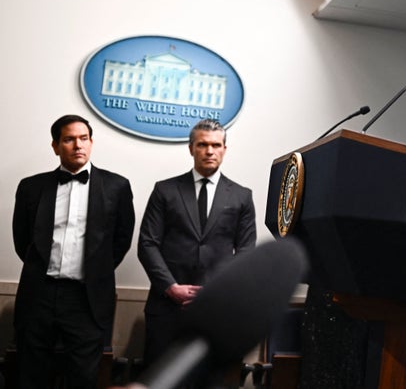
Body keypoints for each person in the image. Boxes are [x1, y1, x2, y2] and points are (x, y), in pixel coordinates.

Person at [12, 114, 135, 388]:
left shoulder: (117, 186)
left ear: (91, 143)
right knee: (31, 374)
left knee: (83, 377)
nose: (77, 145)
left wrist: (95, 271)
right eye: (68, 139)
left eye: (83, 139)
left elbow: (120, 241)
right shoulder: (31, 187)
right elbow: (23, 242)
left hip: (86, 298)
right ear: (56, 146)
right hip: (38, 294)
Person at [138, 119, 257, 368]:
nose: (210, 151)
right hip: (166, 307)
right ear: (191, 148)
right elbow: (147, 244)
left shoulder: (241, 196)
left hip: (217, 309)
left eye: (216, 145)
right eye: (202, 144)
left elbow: (246, 252)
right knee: (158, 378)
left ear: (225, 149)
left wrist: (216, 291)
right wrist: (170, 287)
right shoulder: (165, 190)